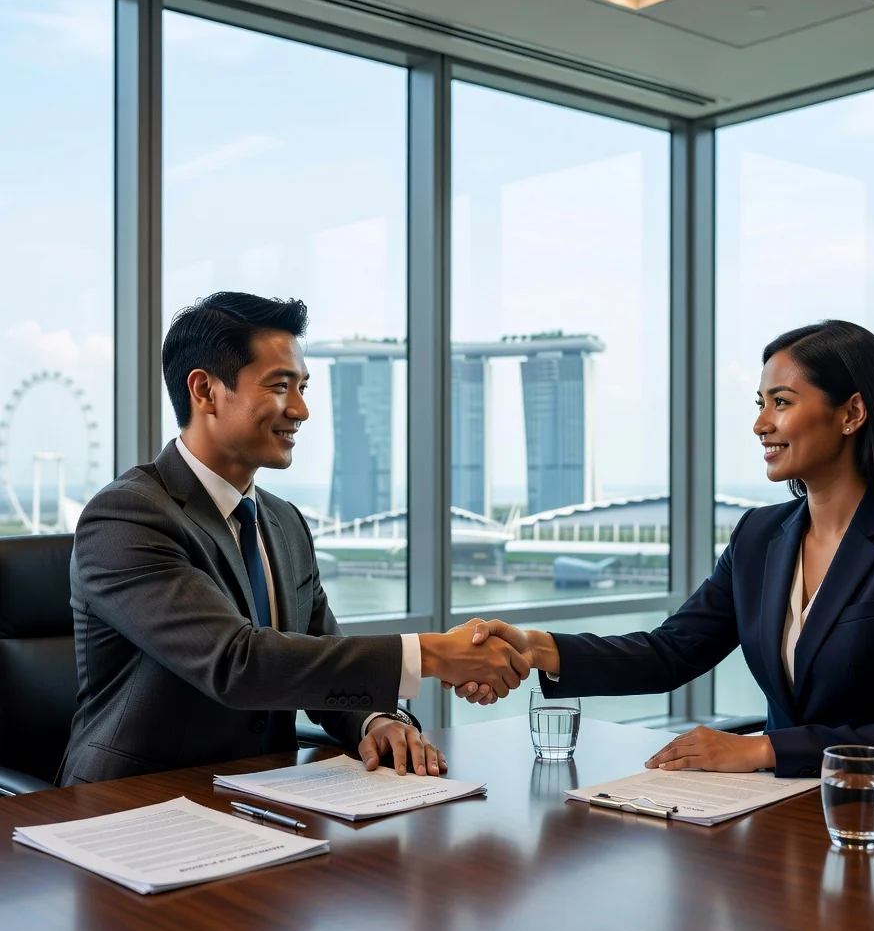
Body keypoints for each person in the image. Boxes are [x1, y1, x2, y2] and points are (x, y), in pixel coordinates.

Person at [459, 321, 874, 782]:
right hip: (786, 811)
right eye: (761, 405)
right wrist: (534, 647)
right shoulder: (759, 536)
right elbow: (670, 652)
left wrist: (759, 748)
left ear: (852, 413)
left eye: (782, 402)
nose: (760, 425)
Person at [60, 292, 528, 786]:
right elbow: (238, 663)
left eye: (302, 387)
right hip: (132, 806)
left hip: (263, 797)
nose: (301, 410)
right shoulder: (126, 517)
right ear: (205, 391)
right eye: (281, 386)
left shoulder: (284, 523)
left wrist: (375, 721)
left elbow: (317, 655)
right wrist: (432, 653)